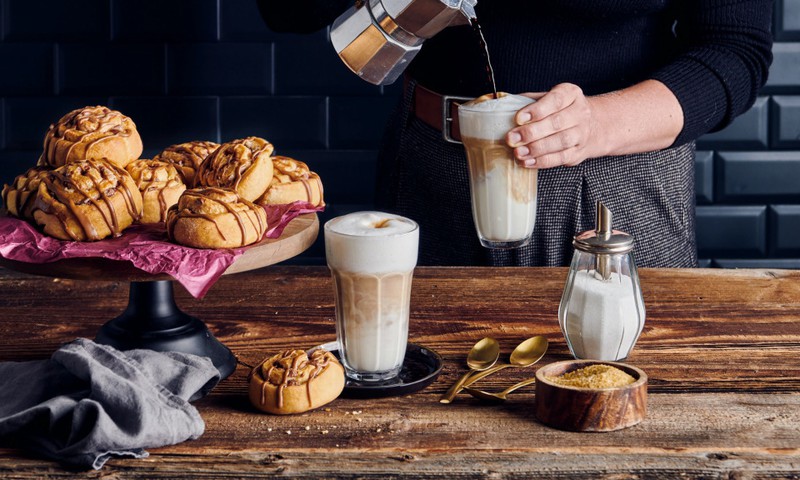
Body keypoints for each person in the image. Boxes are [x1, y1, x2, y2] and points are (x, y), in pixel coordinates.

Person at [257, 0, 774, 267]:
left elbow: (735, 49)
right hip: (430, 170)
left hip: (614, 181)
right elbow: (288, 10)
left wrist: (594, 124)